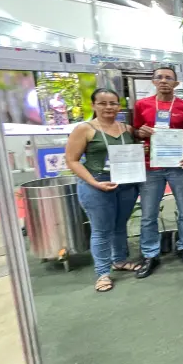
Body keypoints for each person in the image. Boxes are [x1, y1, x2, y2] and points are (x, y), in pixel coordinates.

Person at [65, 88, 140, 291]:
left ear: (119, 106)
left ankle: (120, 260)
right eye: (103, 103)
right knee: (101, 230)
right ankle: (102, 273)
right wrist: (94, 182)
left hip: (126, 184)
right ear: (93, 105)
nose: (109, 107)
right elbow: (72, 161)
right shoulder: (84, 129)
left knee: (119, 225)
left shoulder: (127, 129)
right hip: (97, 184)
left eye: (113, 103)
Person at [132, 67, 183, 278]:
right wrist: (139, 133)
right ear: (153, 81)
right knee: (149, 214)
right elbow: (134, 132)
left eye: (168, 78)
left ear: (176, 83)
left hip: (178, 165)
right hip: (151, 167)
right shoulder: (142, 105)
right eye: (159, 77)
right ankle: (150, 254)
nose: (163, 81)